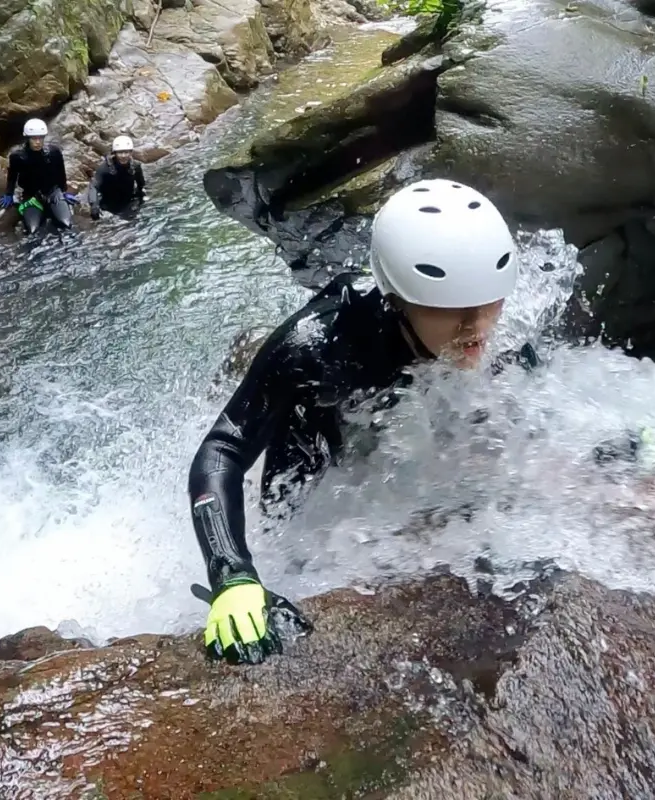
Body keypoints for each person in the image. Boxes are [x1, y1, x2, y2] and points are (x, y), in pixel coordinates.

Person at [188, 178, 543, 666]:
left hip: (403, 426)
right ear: (398, 297)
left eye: (488, 302)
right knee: (289, 536)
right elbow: (222, 451)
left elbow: (540, 417)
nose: (477, 327)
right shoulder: (316, 345)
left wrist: (616, 458)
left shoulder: (498, 338)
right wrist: (231, 575)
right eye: (452, 309)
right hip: (318, 443)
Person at [0, 119, 78, 234]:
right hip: (31, 197)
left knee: (66, 223)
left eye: (40, 138)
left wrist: (64, 191)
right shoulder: (17, 157)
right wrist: (9, 194)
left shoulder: (54, 152)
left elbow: (61, 173)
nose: (38, 142)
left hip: (53, 192)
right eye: (34, 139)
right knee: (33, 229)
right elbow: (12, 176)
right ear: (28, 139)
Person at [86, 136, 146, 219]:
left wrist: (141, 198)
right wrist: (94, 205)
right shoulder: (105, 169)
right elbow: (93, 186)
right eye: (120, 153)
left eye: (126, 152)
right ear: (114, 153)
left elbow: (141, 185)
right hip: (108, 205)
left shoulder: (135, 166)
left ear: (131, 152)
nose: (124, 156)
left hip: (127, 202)